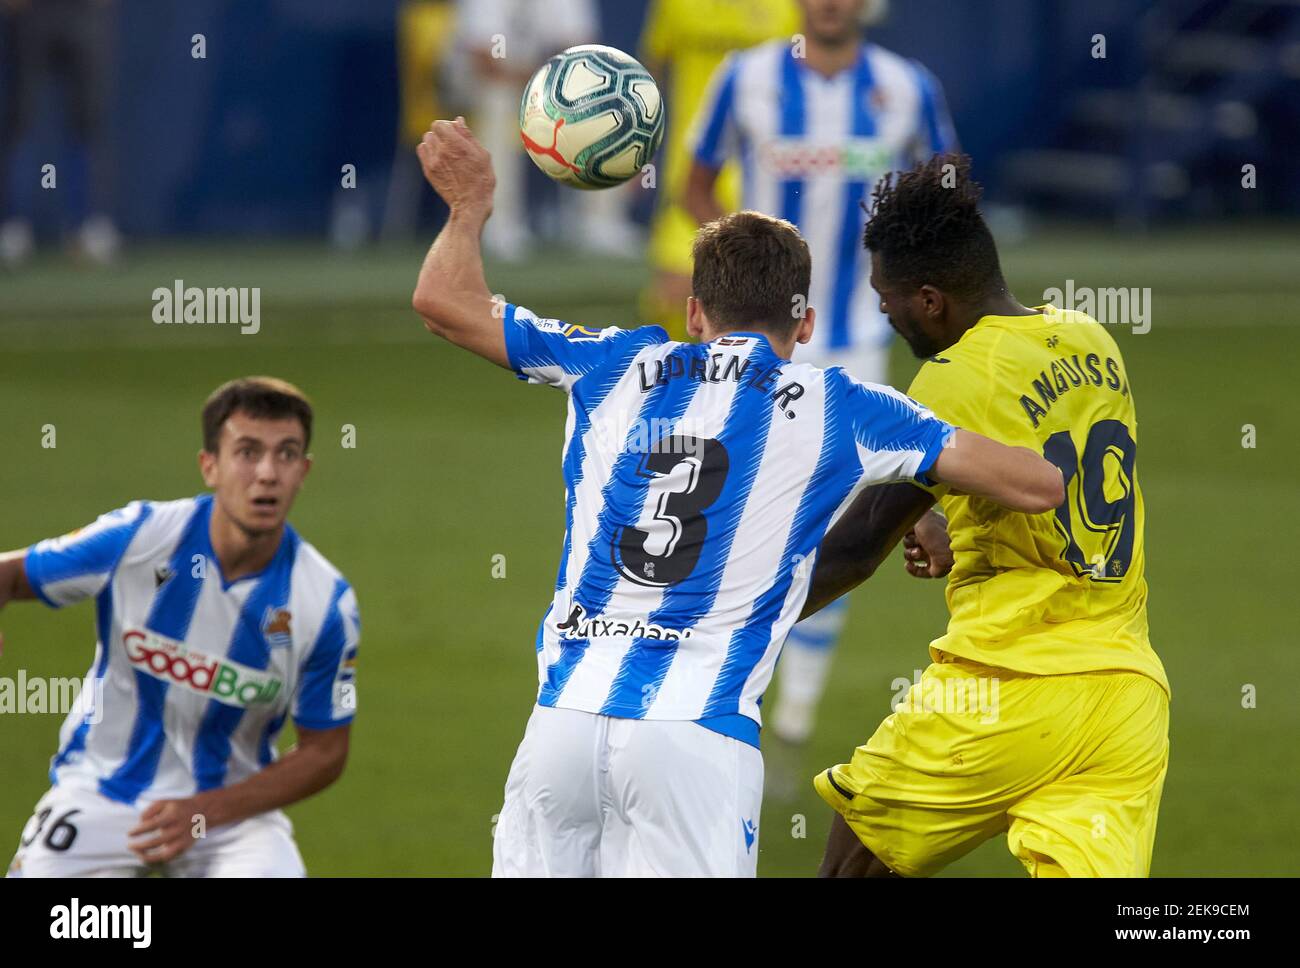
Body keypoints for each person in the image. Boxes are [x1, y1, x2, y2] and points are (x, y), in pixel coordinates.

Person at [410, 118, 1062, 876]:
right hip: (695, 737)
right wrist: (939, 496)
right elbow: (1036, 484)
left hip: (562, 725)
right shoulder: (844, 405)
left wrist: (470, 206)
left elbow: (442, 301)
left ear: (693, 313)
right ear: (806, 322)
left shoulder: (614, 361)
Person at [806, 154, 1170, 878]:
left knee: (850, 868)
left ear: (932, 299)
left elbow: (855, 547)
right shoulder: (1093, 340)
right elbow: (1064, 475)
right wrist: (957, 519)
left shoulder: (952, 378)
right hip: (1128, 698)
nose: (884, 311)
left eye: (889, 298)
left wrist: (727, 614)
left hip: (1005, 686)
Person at [685, 0, 959, 747]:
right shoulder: (745, 79)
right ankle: (718, 671)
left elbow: (947, 199)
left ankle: (794, 711)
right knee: (732, 499)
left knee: (835, 522)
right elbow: (696, 183)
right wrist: (717, 280)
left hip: (855, 340)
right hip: (754, 338)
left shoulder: (908, 87)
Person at [1, 378, 359, 877]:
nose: (266, 474)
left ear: (304, 471)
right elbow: (10, 575)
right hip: (104, 791)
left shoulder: (324, 603)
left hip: (231, 816)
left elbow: (325, 752)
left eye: (286, 455)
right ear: (209, 465)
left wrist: (206, 811)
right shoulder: (138, 538)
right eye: (247, 452)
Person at [638, 0, 801, 338]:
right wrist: (638, 145)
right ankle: (687, 383)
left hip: (761, 172)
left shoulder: (787, 7)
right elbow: (650, 70)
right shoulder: (675, 5)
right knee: (673, 294)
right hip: (693, 173)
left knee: (760, 301)